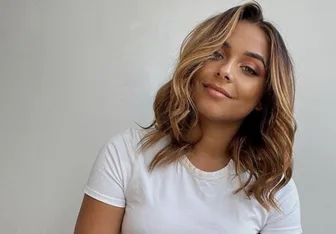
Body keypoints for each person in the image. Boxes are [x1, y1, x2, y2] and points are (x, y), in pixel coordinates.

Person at [74, 1, 302, 233]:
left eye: (249, 69)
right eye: (216, 54)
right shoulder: (126, 154)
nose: (225, 70)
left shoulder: (274, 190)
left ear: (263, 97)